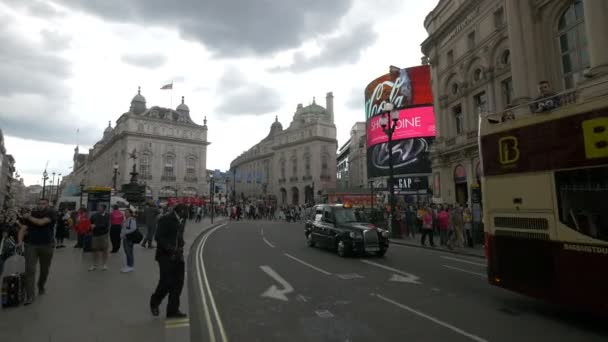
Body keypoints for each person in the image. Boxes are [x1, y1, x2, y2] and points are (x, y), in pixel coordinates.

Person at [150, 204, 188, 318]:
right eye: (186, 211)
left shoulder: (182, 219)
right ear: (181, 211)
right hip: (165, 255)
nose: (188, 213)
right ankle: (154, 302)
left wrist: (181, 244)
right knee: (166, 282)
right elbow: (158, 237)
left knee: (178, 284)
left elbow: (178, 235)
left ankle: (172, 310)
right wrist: (170, 248)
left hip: (178, 255)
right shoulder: (165, 219)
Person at [21, 198, 57, 305]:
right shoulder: (31, 213)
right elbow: (23, 228)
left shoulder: (52, 213)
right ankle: (30, 296)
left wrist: (28, 217)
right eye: (39, 203)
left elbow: (41, 223)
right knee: (30, 270)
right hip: (31, 245)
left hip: (47, 245)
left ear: (47, 205)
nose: (41, 205)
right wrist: (19, 241)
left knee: (44, 270)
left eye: (43, 204)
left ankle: (41, 285)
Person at [89, 204, 110, 271]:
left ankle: (104, 264)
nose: (98, 208)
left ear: (104, 209)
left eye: (100, 207)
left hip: (103, 235)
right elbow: (90, 222)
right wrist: (90, 226)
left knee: (104, 250)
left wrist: (96, 226)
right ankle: (94, 265)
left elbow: (105, 225)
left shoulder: (107, 215)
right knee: (95, 250)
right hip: (95, 235)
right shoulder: (94, 215)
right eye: (98, 207)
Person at [120, 209, 138, 273]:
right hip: (125, 238)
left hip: (129, 239)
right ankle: (128, 265)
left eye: (127, 212)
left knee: (129, 252)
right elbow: (123, 228)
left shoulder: (132, 220)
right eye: (125, 212)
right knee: (127, 252)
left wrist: (125, 232)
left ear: (130, 213)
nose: (125, 214)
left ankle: (130, 266)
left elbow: (133, 228)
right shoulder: (126, 220)